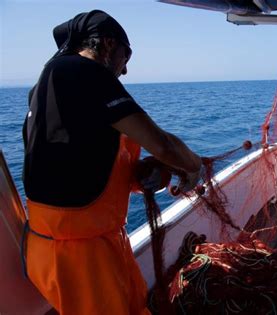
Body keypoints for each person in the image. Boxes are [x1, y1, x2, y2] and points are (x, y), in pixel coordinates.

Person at [22, 10, 202, 314]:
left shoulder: (51, 82)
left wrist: (142, 174)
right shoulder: (84, 71)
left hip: (76, 245)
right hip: (79, 253)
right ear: (106, 45)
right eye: (126, 55)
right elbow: (163, 144)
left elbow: (79, 160)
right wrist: (193, 164)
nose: (126, 70)